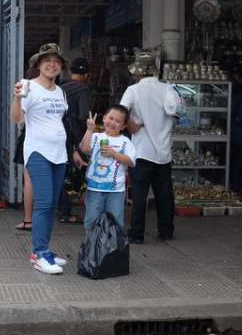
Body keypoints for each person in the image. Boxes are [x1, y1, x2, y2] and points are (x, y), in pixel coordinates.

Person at [11, 43, 70, 275]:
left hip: (59, 153)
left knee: (52, 205)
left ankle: (45, 250)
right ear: (38, 64)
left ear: (62, 66)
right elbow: (16, 119)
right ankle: (38, 253)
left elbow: (58, 120)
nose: (52, 65)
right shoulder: (28, 86)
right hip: (38, 152)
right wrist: (17, 99)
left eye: (56, 61)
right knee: (44, 204)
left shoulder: (60, 90)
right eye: (47, 60)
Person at [120, 52, 186, 244]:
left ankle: (137, 233)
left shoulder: (133, 90)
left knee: (139, 194)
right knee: (164, 193)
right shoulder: (168, 89)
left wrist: (130, 125)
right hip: (163, 152)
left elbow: (121, 111)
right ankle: (166, 230)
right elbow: (177, 111)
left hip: (141, 151)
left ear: (138, 72)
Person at [79, 106, 136, 231]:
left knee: (114, 223)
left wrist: (114, 154)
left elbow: (131, 161)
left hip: (116, 190)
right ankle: (91, 248)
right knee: (91, 221)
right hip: (94, 187)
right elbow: (84, 148)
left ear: (124, 126)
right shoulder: (96, 137)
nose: (113, 122)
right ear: (104, 118)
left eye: (118, 121)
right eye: (110, 118)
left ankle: (111, 249)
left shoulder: (125, 141)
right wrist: (89, 130)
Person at [58, 56, 91, 224]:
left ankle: (59, 209)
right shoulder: (83, 90)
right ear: (86, 74)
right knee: (70, 171)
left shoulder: (59, 87)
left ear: (70, 72)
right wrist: (86, 133)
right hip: (73, 135)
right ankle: (66, 212)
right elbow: (84, 115)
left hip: (57, 133)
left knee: (59, 169)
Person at [13, 61, 39, 232]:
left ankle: (29, 219)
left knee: (28, 178)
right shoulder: (51, 88)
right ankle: (35, 218)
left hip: (29, 136)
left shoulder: (26, 87)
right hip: (46, 139)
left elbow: (19, 121)